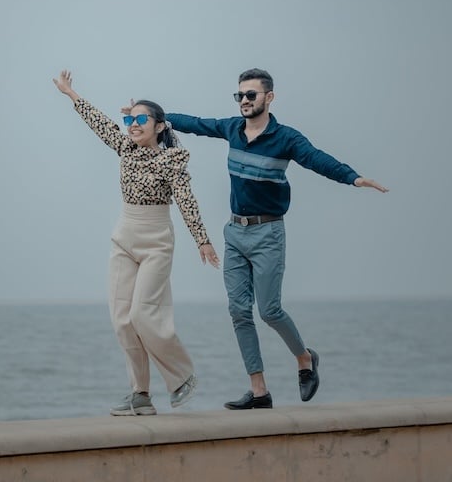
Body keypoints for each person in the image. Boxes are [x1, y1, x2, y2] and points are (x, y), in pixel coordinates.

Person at [160, 68, 388, 410]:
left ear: (269, 97)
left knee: (269, 310)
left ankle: (305, 359)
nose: (244, 101)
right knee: (239, 311)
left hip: (268, 233)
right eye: (240, 95)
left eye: (251, 95)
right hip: (235, 232)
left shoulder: (286, 138)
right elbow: (195, 123)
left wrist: (353, 178)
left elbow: (317, 160)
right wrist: (156, 116)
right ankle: (259, 392)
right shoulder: (232, 128)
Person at [53, 69, 221, 416]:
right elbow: (100, 123)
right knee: (122, 320)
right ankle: (140, 395)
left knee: (143, 314)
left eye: (142, 119)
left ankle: (181, 377)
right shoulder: (125, 148)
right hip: (124, 237)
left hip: (157, 241)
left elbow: (186, 200)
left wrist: (202, 240)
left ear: (159, 126)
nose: (132, 125)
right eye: (130, 119)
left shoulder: (172, 159)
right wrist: (72, 94)